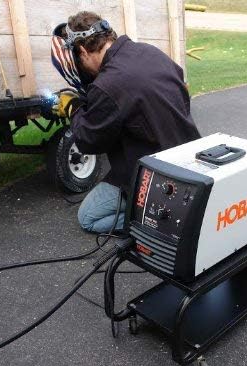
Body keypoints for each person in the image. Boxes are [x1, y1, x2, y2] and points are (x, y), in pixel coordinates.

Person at [51, 11, 200, 233]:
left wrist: (74, 108)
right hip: (190, 158)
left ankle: (160, 222)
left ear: (82, 50)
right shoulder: (151, 52)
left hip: (156, 175)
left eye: (79, 60)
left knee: (88, 217)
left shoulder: (107, 85)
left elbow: (88, 142)